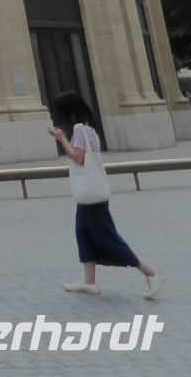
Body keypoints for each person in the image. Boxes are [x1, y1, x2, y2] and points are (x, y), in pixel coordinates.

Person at [49, 90, 165, 298]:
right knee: (83, 233)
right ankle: (88, 280)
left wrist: (62, 139)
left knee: (108, 239)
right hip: (92, 194)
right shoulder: (90, 129)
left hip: (90, 195)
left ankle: (151, 272)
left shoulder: (78, 130)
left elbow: (78, 157)